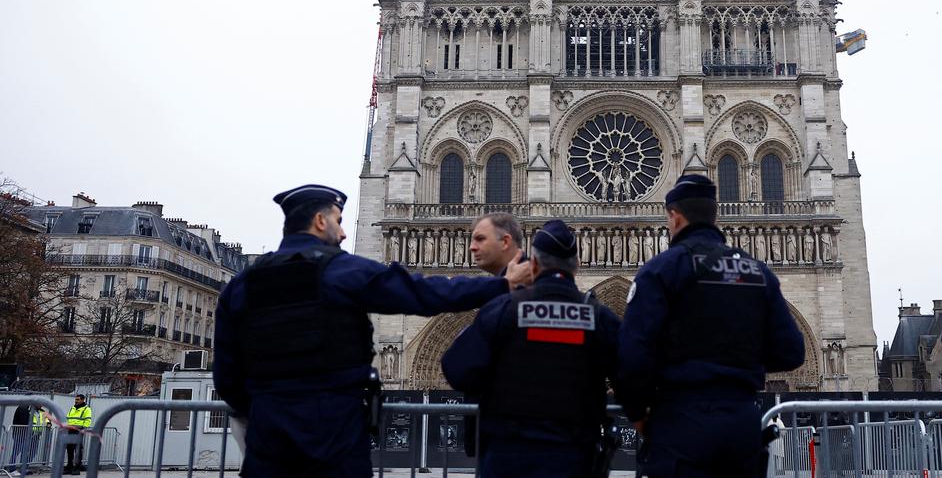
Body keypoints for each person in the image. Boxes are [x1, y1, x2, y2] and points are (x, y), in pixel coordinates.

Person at [214, 184, 533, 478]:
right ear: (320, 222)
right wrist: (502, 284)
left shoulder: (244, 284)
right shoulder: (342, 271)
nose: (342, 234)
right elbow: (423, 293)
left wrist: (265, 405)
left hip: (268, 428)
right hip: (334, 426)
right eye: (338, 221)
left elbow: (226, 375)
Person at [618, 174, 807, 478]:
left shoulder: (660, 271)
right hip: (741, 424)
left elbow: (631, 357)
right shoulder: (757, 272)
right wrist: (741, 358)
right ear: (714, 216)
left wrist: (640, 416)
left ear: (675, 217)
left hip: (681, 423)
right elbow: (791, 352)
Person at [442, 220, 621, 478]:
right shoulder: (600, 319)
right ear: (577, 266)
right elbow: (632, 378)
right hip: (574, 458)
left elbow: (456, 370)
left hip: (508, 458)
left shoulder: (502, 310)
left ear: (533, 265)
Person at [64, 394, 92, 475]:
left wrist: (82, 428)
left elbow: (87, 420)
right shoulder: (72, 408)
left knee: (78, 449)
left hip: (78, 430)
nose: (76, 401)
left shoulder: (86, 409)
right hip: (70, 430)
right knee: (69, 449)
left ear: (83, 400)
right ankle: (69, 467)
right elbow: (68, 418)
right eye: (75, 399)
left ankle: (77, 468)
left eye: (78, 399)